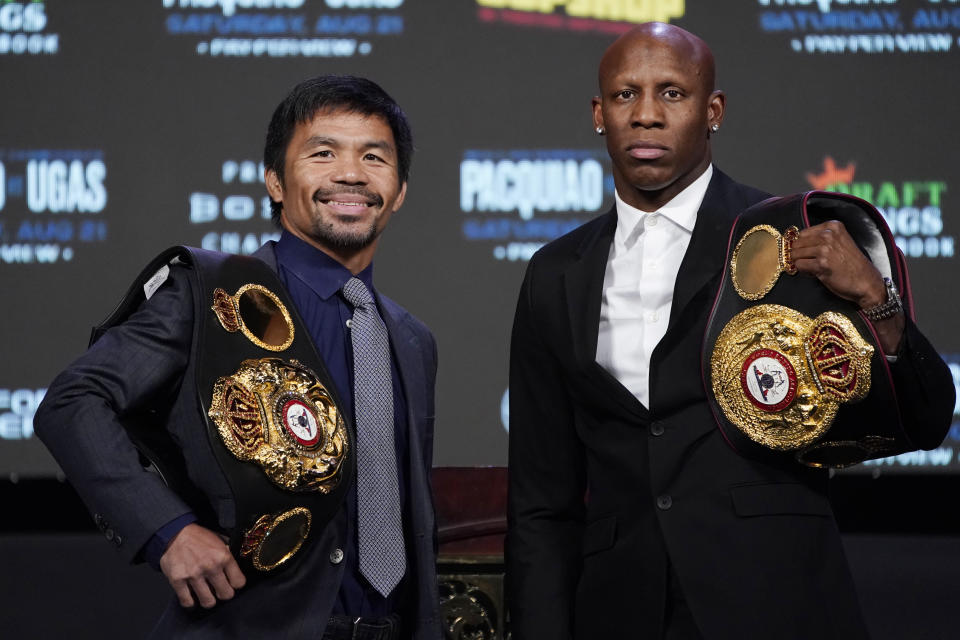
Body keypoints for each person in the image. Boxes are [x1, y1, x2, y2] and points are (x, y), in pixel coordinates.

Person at [505, 22, 953, 639]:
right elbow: (540, 501)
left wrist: (877, 299)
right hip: (619, 608)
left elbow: (925, 421)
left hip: (775, 599)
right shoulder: (555, 272)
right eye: (624, 95)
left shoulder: (791, 239)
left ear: (713, 110)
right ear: (598, 114)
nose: (646, 116)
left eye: (672, 93)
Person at [35, 75, 441, 640]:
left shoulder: (412, 338)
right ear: (275, 180)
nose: (351, 174)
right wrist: (167, 530)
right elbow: (73, 401)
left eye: (374, 157)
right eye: (323, 153)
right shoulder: (209, 292)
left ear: (398, 190)